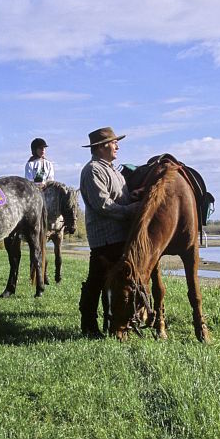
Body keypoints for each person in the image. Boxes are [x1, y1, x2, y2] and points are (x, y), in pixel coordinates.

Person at [78, 126, 141, 336]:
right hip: (104, 238)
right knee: (96, 282)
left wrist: (133, 197)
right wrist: (129, 210)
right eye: (114, 142)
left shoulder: (114, 170)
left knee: (116, 283)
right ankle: (88, 326)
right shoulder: (93, 170)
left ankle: (117, 322)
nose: (117, 146)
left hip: (119, 236)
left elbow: (119, 197)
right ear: (102, 147)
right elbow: (102, 204)